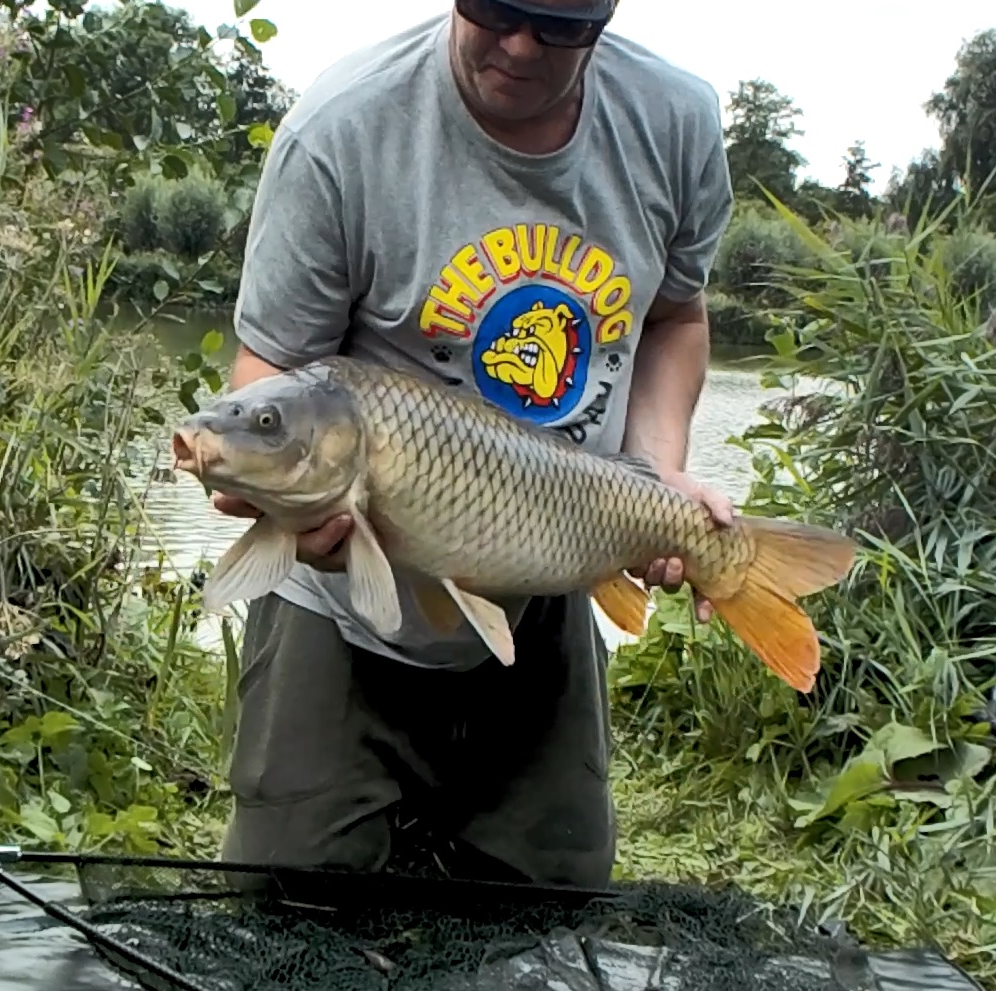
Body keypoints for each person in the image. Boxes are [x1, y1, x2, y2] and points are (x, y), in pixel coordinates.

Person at [211, 0, 735, 888]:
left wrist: (655, 473)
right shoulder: (342, 131)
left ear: (604, 17)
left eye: (559, 24)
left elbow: (675, 316)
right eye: (494, 7)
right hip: (340, 598)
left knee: (550, 893)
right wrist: (277, 495)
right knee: (286, 897)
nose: (520, 44)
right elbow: (271, 371)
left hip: (553, 548)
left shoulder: (672, 122)